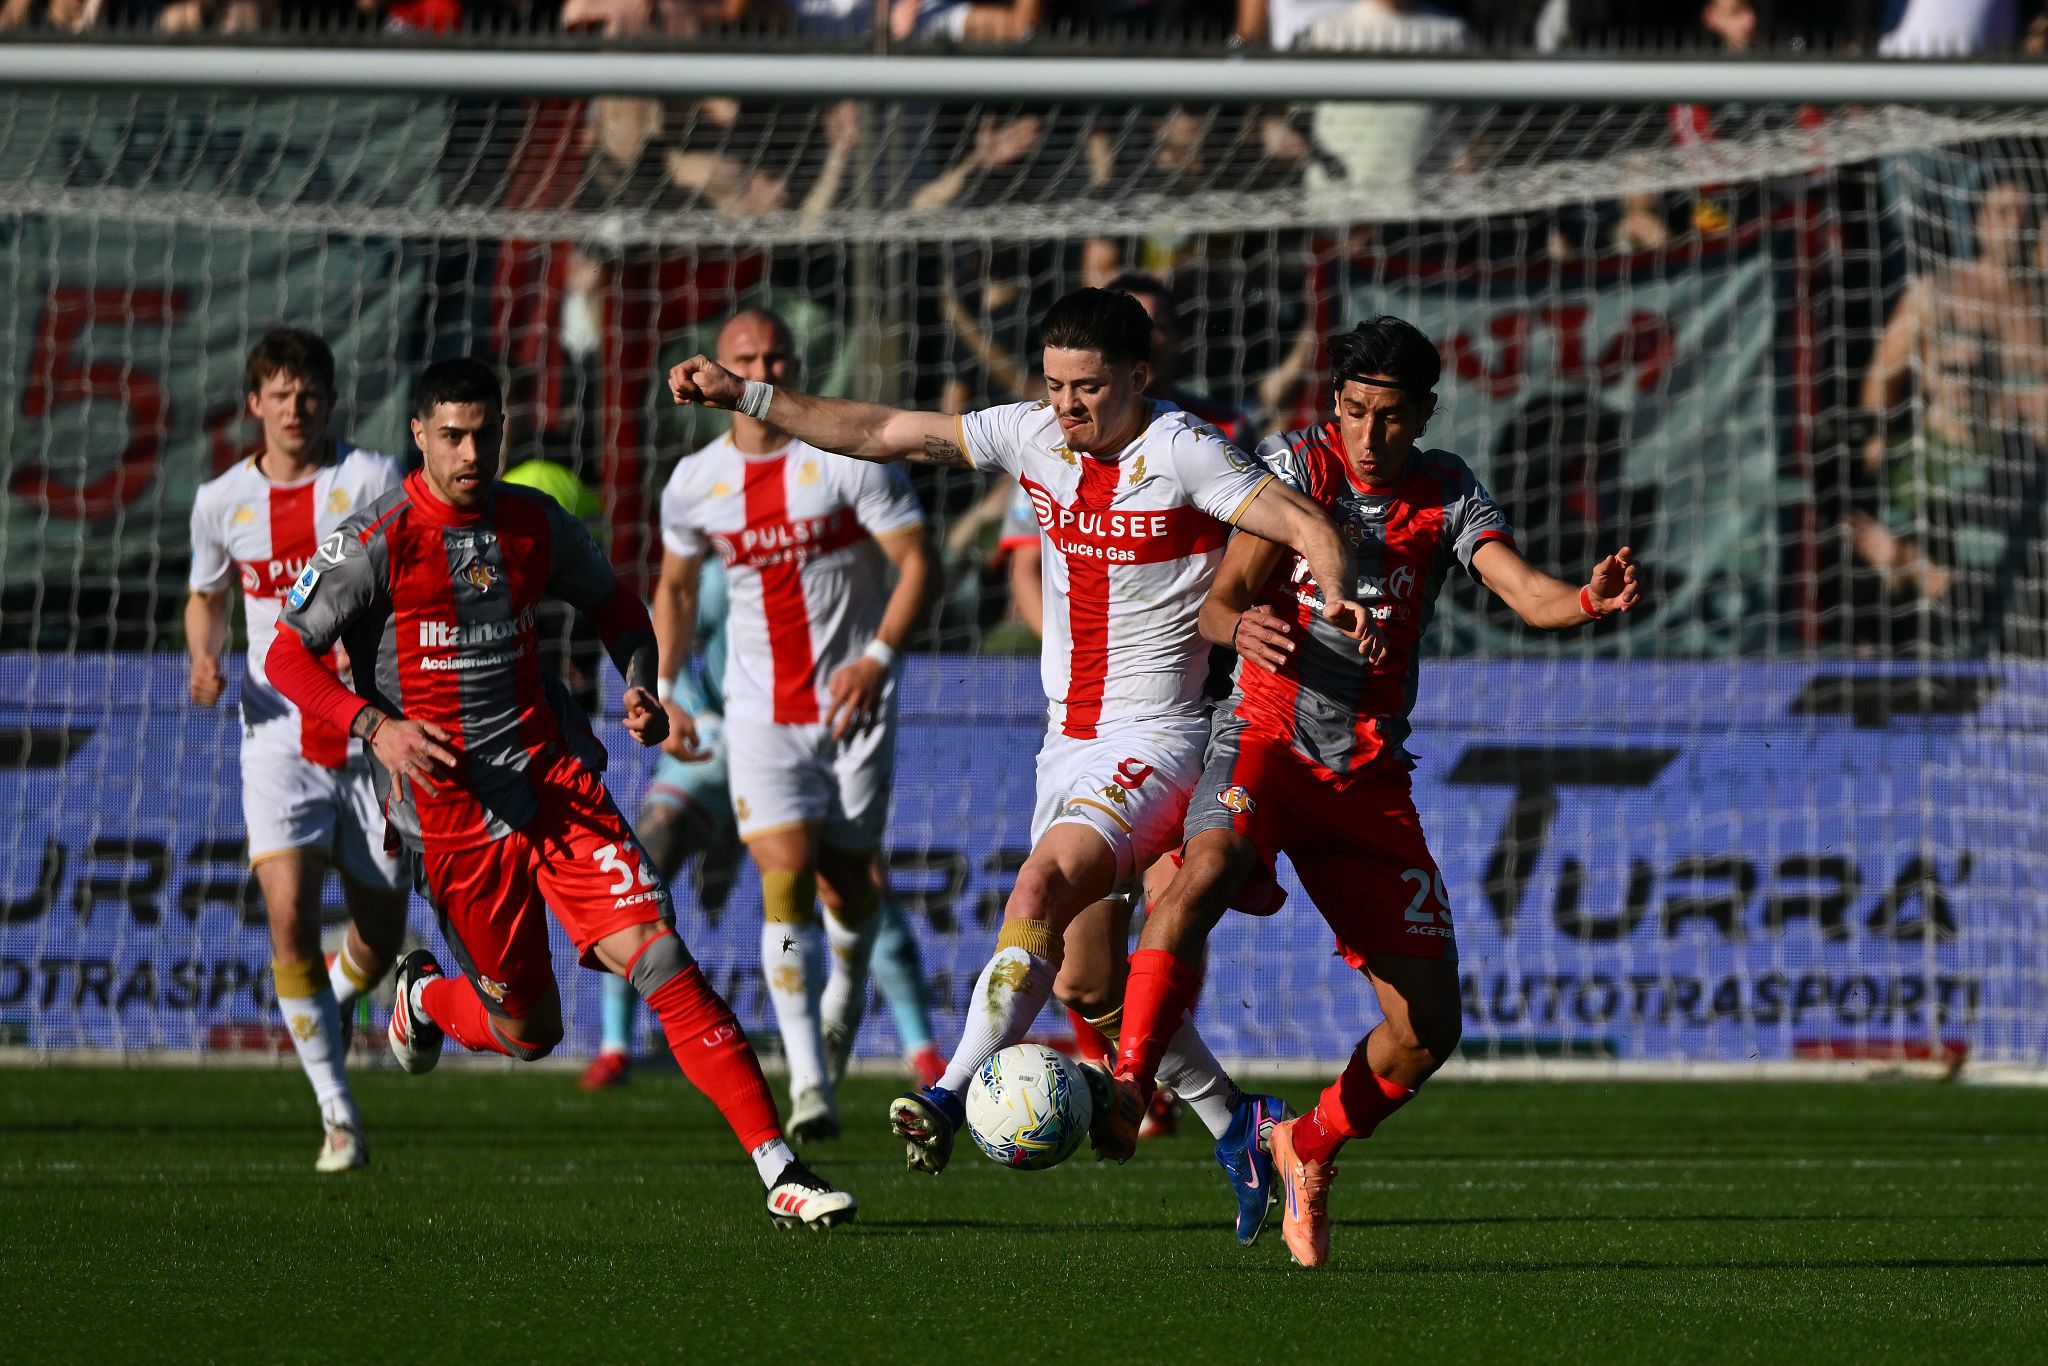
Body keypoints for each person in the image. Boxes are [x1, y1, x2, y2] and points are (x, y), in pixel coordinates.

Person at [669, 286, 1367, 1243]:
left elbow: (1304, 522)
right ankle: (1240, 1126)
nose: (1066, 407)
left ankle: (950, 1094)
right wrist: (746, 399)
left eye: (1088, 390)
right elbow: (877, 427)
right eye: (1053, 385)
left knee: (1038, 882)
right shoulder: (1031, 434)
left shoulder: (1183, 450)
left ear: (1138, 379)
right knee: (1085, 985)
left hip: (1160, 737)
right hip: (1065, 742)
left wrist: (1339, 597)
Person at [264, 356, 855, 1227]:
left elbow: (617, 608)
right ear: (419, 436)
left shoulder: (536, 524)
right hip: (451, 817)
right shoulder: (376, 538)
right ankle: (424, 996)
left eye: (486, 433)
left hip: (556, 787)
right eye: (454, 436)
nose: (472, 452)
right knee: (529, 1033)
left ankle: (780, 1171)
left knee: (658, 953)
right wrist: (375, 728)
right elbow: (285, 654)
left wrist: (642, 682)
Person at [1101, 316, 1640, 1268]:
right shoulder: (1293, 471)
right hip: (1263, 740)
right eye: (1353, 411)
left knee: (1429, 1028)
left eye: (1390, 417)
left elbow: (1526, 594)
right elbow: (1222, 604)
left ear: (1424, 414)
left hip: (1366, 777)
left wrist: (1588, 598)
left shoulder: (1446, 490)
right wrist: (1246, 635)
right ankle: (1130, 1081)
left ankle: (1304, 1145)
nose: (1368, 435)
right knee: (1207, 866)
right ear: (1333, 407)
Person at [654, 309, 936, 1141]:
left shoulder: (848, 459)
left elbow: (918, 561)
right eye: (746, 355)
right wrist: (668, 688)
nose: (761, 365)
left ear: (792, 363)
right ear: (719, 369)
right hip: (759, 715)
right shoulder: (694, 481)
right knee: (782, 881)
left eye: (774, 355)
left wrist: (877, 658)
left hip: (853, 705)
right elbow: (672, 589)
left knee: (848, 889)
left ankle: (846, 986)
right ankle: (809, 1083)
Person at [582, 545, 949, 1094]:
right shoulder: (724, 574)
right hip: (717, 747)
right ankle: (615, 1047)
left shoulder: (841, 574)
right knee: (644, 861)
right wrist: (680, 702)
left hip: (799, 750)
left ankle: (922, 1051)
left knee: (861, 881)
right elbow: (665, 630)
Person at [185, 328, 409, 1174]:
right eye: (278, 392)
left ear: (329, 399)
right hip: (275, 730)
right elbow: (205, 598)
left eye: (307, 391)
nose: (294, 407)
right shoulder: (219, 501)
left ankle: (343, 999)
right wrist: (203, 656)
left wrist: (374, 643)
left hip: (372, 728)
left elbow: (406, 578)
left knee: (382, 932)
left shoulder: (372, 479)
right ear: (255, 404)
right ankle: (337, 1113)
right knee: (286, 916)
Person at [1853, 174, 2048, 654]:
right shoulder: (1939, 291)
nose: (2014, 226)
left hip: (2028, 473)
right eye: (2003, 213)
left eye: (2025, 215)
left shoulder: (2042, 303)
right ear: (1979, 221)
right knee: (1915, 568)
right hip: (1948, 463)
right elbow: (1883, 376)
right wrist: (1876, 445)